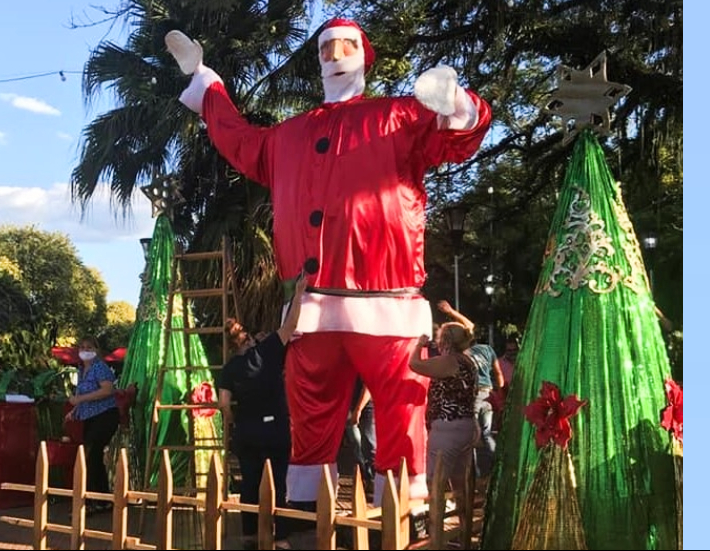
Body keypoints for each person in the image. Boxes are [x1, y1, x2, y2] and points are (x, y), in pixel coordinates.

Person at [164, 17, 493, 504]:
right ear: (317, 58)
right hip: (313, 307)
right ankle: (304, 510)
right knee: (310, 419)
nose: (335, 53)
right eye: (326, 47)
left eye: (346, 44)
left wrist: (458, 103)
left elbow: (461, 137)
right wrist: (207, 83)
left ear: (363, 55)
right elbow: (238, 139)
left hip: (387, 300)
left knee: (401, 413)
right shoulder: (288, 135)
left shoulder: (400, 115)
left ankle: (400, 512)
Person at [218, 273, 307, 549]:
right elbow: (290, 324)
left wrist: (233, 421)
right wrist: (299, 293)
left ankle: (249, 535)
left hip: (247, 429)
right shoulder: (267, 351)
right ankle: (278, 537)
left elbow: (223, 403)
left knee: (250, 483)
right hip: (275, 427)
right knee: (277, 481)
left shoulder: (229, 369)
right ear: (249, 340)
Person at [408, 323, 478, 532]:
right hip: (465, 426)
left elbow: (415, 365)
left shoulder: (449, 361)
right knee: (459, 485)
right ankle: (466, 532)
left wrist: (419, 344)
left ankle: (437, 536)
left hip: (448, 429)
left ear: (445, 341)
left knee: (435, 483)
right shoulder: (468, 361)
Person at [436, 301, 503, 476]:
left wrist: (450, 311)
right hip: (488, 392)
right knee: (486, 434)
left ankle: (473, 474)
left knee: (470, 436)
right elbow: (498, 373)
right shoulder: (487, 350)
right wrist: (500, 392)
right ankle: (497, 468)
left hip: (472, 395)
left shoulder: (461, 355)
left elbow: (469, 326)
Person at [65, 336, 119, 513]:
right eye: (82, 347)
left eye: (89, 347)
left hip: (105, 415)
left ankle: (91, 501)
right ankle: (102, 499)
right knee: (93, 457)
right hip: (90, 416)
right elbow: (84, 396)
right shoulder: (81, 370)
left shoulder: (99, 367)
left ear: (96, 350)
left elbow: (107, 390)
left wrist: (80, 399)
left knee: (90, 454)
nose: (85, 350)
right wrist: (74, 411)